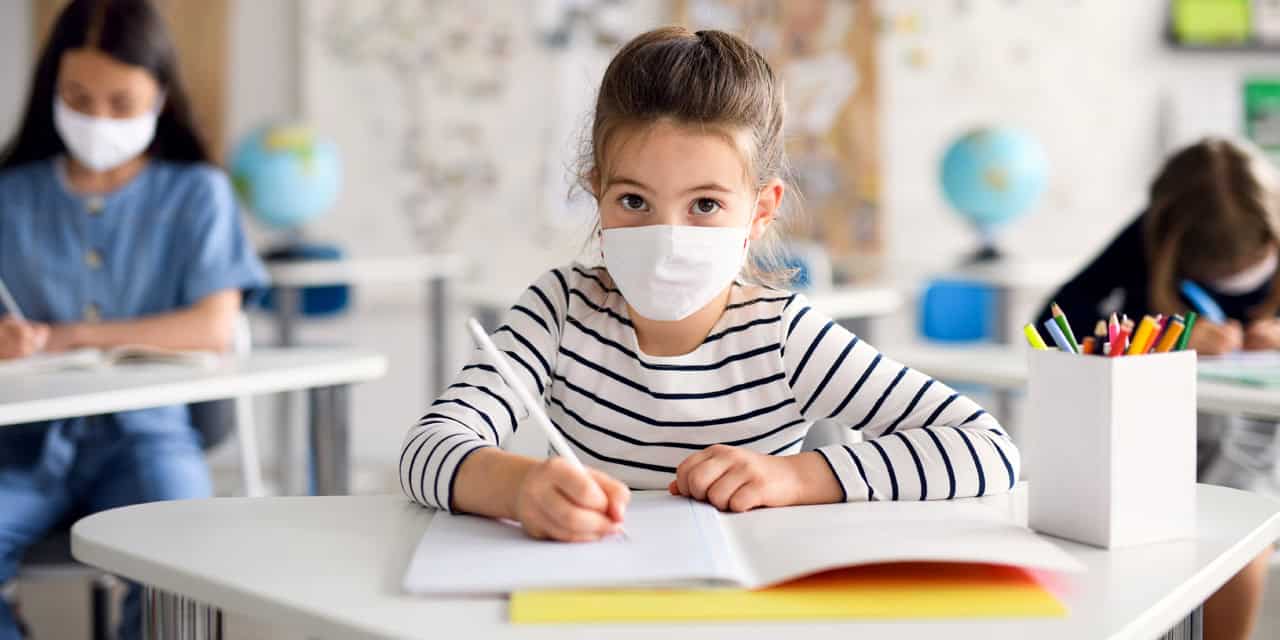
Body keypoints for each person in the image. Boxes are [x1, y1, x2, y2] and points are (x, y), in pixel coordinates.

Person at [399, 26, 1019, 543]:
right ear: (597, 194)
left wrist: (795, 478)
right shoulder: (560, 310)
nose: (666, 235)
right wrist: (520, 486)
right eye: (634, 200)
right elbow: (427, 448)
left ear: (761, 209)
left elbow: (988, 450)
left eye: (704, 205)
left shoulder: (782, 336)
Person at [0, 1, 266, 638]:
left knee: (180, 558)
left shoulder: (197, 192)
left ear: (160, 98)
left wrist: (68, 336)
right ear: (51, 91)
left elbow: (211, 327)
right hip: (20, 447)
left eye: (121, 104)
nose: (97, 119)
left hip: (149, 439)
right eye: (78, 97)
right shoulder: (11, 195)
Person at [1039, 137, 1280, 640]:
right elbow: (1053, 320)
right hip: (1158, 425)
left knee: (1235, 511)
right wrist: (1174, 329)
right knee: (1151, 515)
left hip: (1258, 437)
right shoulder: (1148, 234)